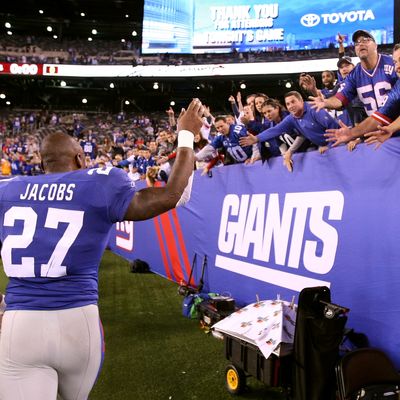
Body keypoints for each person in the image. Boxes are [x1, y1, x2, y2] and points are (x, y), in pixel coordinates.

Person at [0, 98, 203, 400]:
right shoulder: (100, 182)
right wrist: (185, 135)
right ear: (81, 159)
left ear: (42, 162)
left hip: (22, 323)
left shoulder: (8, 189)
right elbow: (173, 194)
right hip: (78, 322)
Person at [240, 91, 340, 171]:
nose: (291, 106)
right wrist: (257, 138)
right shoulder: (292, 117)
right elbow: (275, 130)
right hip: (321, 147)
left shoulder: (314, 110)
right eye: (288, 103)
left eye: (293, 102)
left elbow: (334, 126)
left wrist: (329, 145)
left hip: (335, 143)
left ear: (301, 101)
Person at [325, 44, 400, 147]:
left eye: (347, 66)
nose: (398, 67)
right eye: (395, 62)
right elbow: (379, 115)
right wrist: (391, 128)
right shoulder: (397, 88)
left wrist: (352, 134)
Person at [310, 30, 398, 117]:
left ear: (375, 45)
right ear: (355, 50)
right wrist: (325, 102)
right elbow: (340, 98)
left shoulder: (393, 63)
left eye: (365, 40)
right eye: (357, 43)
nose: (361, 44)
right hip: (375, 126)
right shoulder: (354, 75)